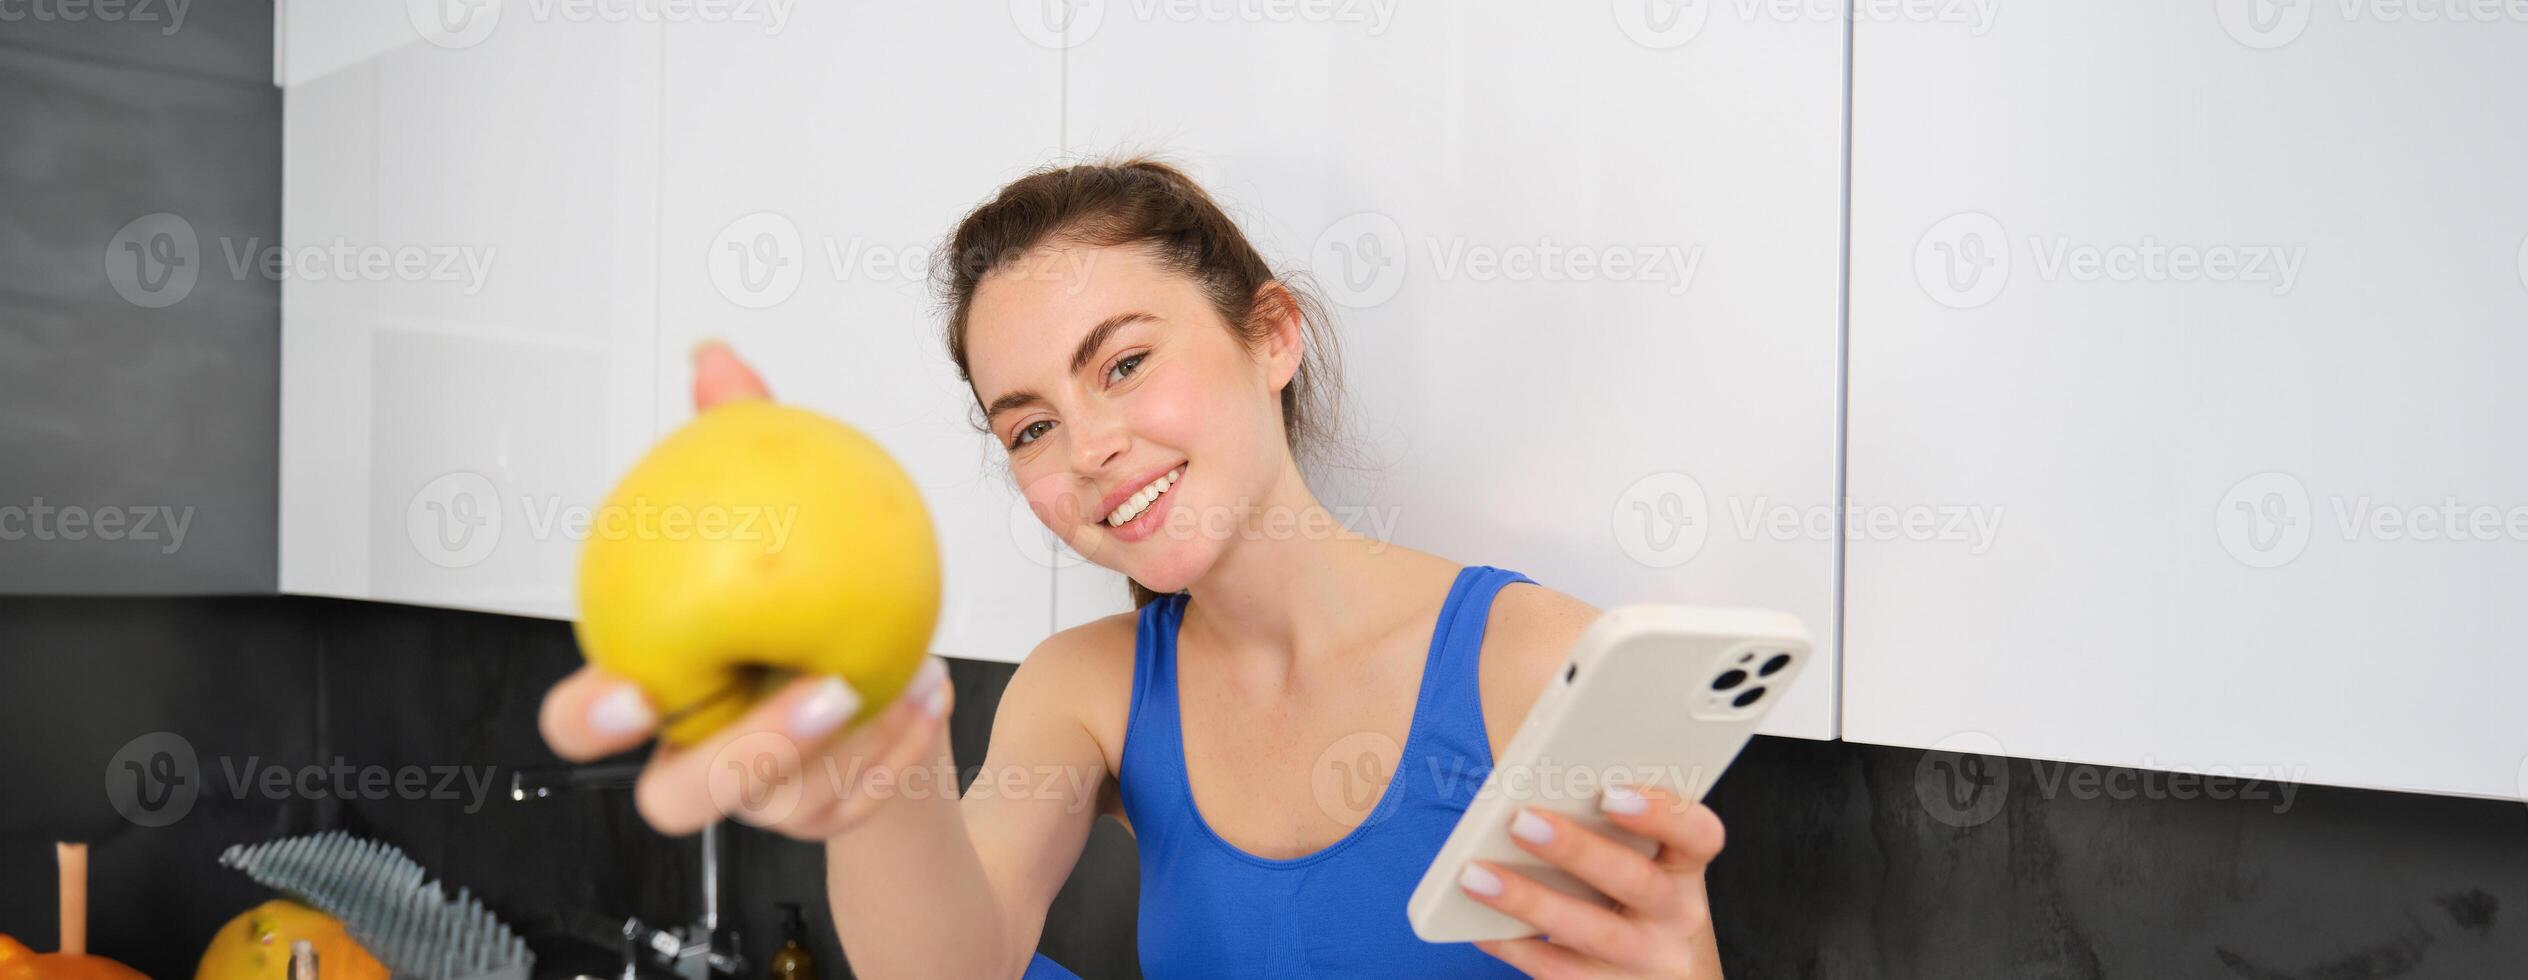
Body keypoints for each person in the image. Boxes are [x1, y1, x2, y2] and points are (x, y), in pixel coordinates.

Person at [538, 159, 1729, 978]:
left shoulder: (1539, 664)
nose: (1090, 449)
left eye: (1120, 364)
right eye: (1029, 426)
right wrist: (874, 789)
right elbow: (955, 960)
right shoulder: (1086, 689)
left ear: (1270, 335)